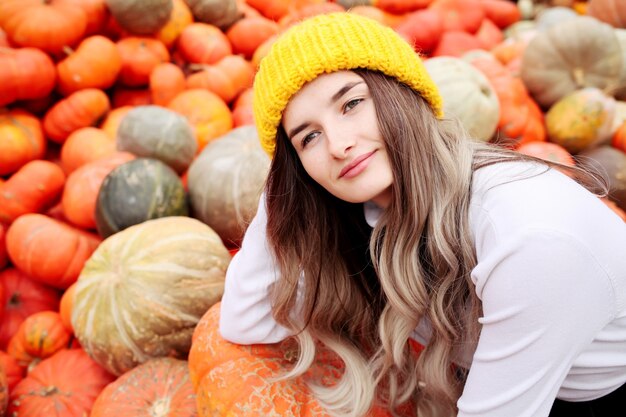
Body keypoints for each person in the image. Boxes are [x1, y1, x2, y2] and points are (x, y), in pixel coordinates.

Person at [218, 11, 626, 417]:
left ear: (403, 94)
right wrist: (285, 190)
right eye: (309, 137)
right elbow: (246, 323)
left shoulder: (530, 236)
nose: (338, 145)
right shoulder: (370, 211)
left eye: (352, 103)